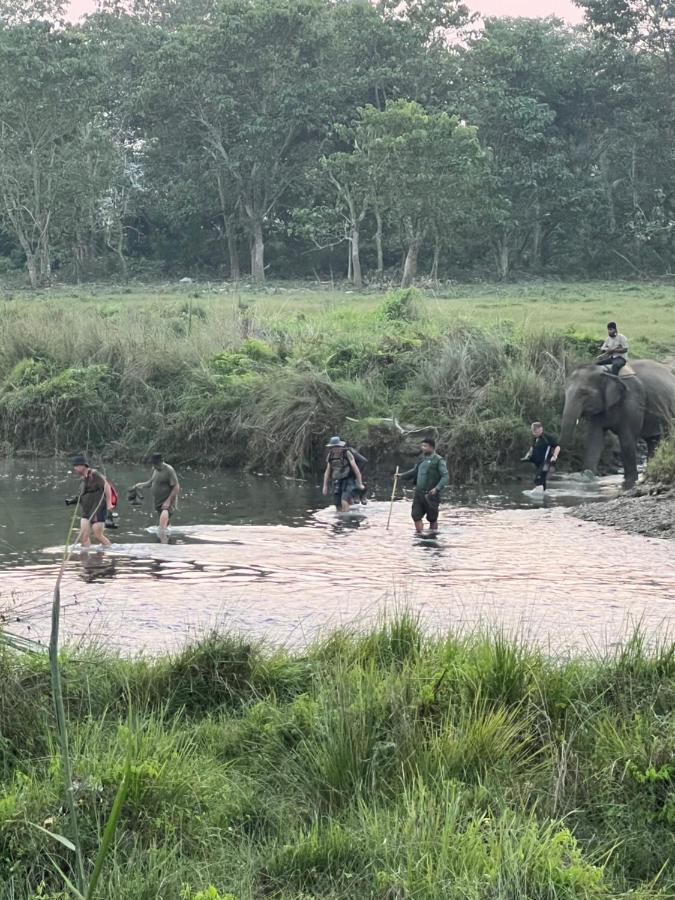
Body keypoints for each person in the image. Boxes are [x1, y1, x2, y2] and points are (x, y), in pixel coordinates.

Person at [399, 437, 449, 533]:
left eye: (425, 446)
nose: (422, 448)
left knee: (432, 518)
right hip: (418, 494)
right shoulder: (421, 459)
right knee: (415, 515)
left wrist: (437, 488)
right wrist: (401, 476)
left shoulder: (438, 460)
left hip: (431, 494)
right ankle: (420, 536)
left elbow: (445, 476)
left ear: (431, 447)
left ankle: (432, 537)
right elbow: (414, 472)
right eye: (422, 446)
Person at [66, 454, 114, 547]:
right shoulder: (84, 479)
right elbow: (82, 496)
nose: (75, 468)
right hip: (86, 511)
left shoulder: (94, 474)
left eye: (76, 466)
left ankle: (111, 551)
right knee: (83, 537)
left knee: (98, 535)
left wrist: (109, 504)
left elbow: (107, 487)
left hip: (98, 509)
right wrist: (72, 501)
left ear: (82, 466)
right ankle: (86, 559)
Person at [133, 453, 180, 529]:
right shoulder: (155, 469)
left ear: (161, 462)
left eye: (156, 464)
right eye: (153, 464)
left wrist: (168, 501)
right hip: (159, 503)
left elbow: (176, 487)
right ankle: (167, 539)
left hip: (167, 504)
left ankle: (163, 539)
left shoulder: (169, 470)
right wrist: (141, 485)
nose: (154, 466)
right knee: (164, 526)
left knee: (161, 528)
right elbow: (152, 482)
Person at [322, 436, 364, 512]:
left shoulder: (347, 453)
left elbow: (356, 469)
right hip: (337, 480)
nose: (335, 449)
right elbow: (327, 471)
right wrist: (325, 486)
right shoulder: (330, 456)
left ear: (341, 446)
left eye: (337, 447)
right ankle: (350, 508)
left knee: (344, 501)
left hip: (348, 480)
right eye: (333, 447)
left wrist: (360, 483)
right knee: (337, 504)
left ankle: (346, 520)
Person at [521, 423, 560, 491]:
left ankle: (539, 492)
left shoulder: (547, 437)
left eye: (535, 432)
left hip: (546, 462)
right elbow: (532, 448)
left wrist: (554, 456)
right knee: (542, 479)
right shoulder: (534, 438)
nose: (534, 433)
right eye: (533, 432)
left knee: (539, 478)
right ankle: (543, 493)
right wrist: (527, 455)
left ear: (540, 429)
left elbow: (557, 447)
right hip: (538, 462)